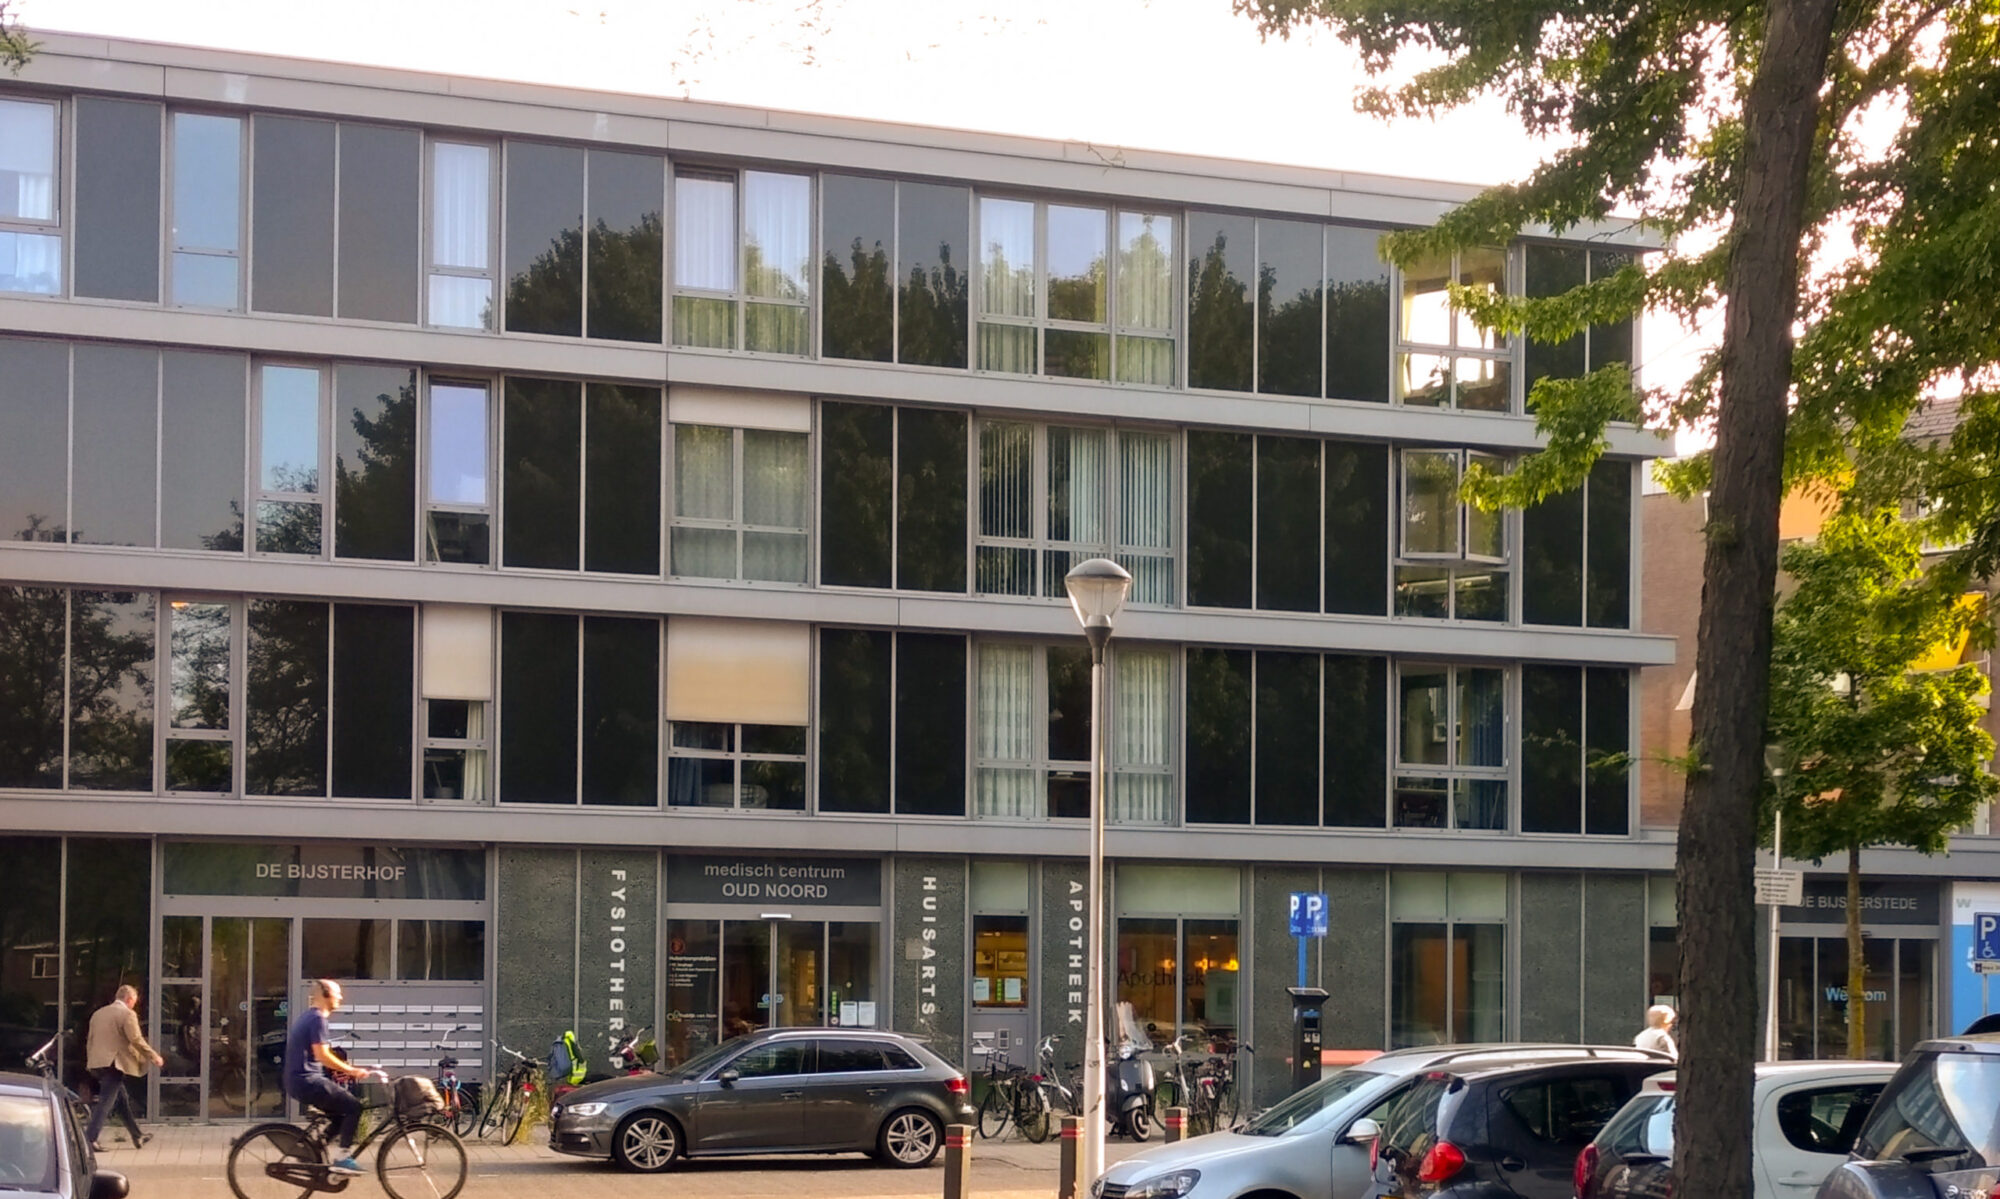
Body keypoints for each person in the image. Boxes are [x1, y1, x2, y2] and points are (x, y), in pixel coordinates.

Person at [284, 979, 370, 1176]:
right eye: (337, 993)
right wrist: (352, 1070)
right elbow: (322, 1055)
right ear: (325, 995)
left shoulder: (309, 1016)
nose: (340, 997)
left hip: (298, 1081)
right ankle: (343, 1159)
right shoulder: (318, 1019)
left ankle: (312, 1151)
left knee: (340, 1116)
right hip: (306, 1081)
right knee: (354, 1107)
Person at [85, 984, 162, 1152]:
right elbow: (136, 1039)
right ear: (129, 999)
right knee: (106, 1102)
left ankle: (137, 1135)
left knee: (122, 1100)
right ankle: (89, 1139)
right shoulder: (127, 1014)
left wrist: (91, 1061)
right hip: (115, 1063)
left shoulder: (98, 1013)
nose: (134, 1005)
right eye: (134, 1002)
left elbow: (90, 1039)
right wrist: (153, 1056)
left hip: (98, 1062)